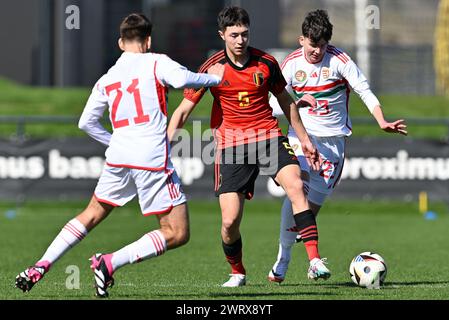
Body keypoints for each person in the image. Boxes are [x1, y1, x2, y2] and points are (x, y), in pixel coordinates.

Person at [14, 13, 224, 298]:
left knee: (91, 214)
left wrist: (114, 140)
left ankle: (41, 265)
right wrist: (212, 78)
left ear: (120, 43)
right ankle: (109, 262)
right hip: (151, 159)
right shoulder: (156, 61)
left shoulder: (108, 77)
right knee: (176, 232)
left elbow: (86, 122)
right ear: (148, 41)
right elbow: (182, 79)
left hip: (119, 158)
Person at [168, 6, 330, 288]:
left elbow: (286, 100)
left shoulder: (266, 63)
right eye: (234, 35)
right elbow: (183, 111)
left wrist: (305, 140)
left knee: (296, 185)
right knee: (230, 223)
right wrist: (165, 146)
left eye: (244, 34)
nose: (240, 40)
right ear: (222, 35)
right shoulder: (212, 69)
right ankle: (237, 272)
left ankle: (315, 260)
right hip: (231, 146)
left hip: (267, 136)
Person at [267, 9, 407, 283]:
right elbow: (273, 105)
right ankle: (284, 260)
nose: (316, 51)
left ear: (327, 43)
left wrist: (381, 120)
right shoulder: (291, 64)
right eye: (311, 44)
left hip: (333, 145)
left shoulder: (340, 60)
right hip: (301, 137)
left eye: (321, 45)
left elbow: (363, 90)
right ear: (301, 40)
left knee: (307, 210)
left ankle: (299, 247)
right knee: (297, 190)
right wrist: (296, 104)